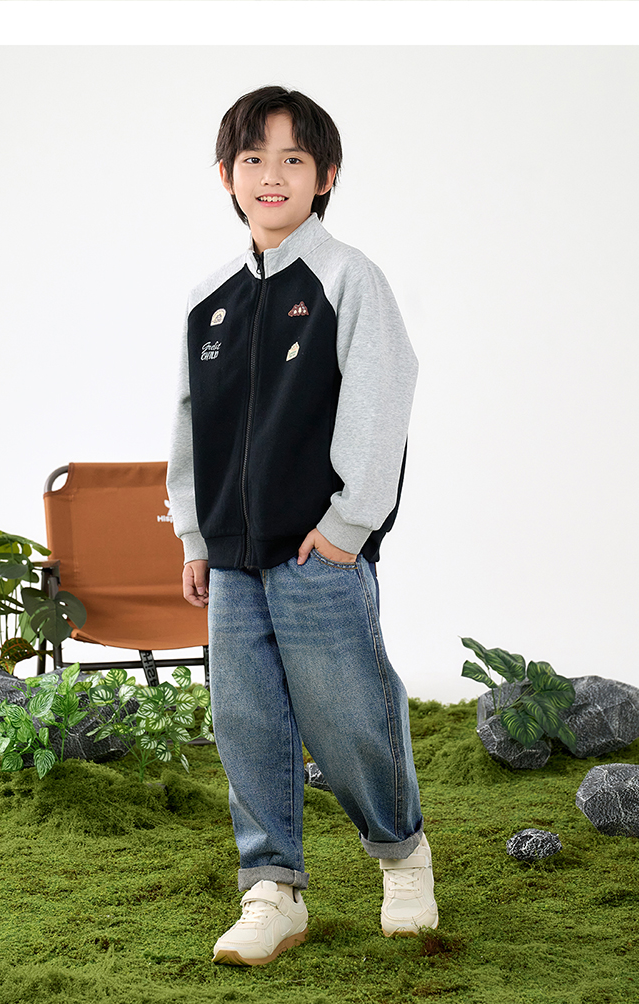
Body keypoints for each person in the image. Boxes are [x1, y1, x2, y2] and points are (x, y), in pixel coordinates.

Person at [166, 85, 437, 967]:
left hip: (320, 550)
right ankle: (272, 890)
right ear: (227, 175)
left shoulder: (349, 279)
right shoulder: (208, 299)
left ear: (325, 176)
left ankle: (401, 858)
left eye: (293, 159)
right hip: (232, 557)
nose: (271, 175)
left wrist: (349, 523)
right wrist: (195, 536)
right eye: (253, 159)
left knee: (350, 715)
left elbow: (382, 398)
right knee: (245, 722)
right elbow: (189, 424)